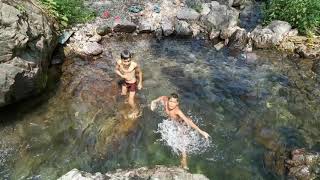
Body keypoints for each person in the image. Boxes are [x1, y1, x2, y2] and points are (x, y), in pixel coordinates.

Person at [150, 93, 210, 169]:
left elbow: (188, 122)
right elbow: (162, 97)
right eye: (171, 101)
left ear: (177, 103)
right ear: (168, 100)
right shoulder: (165, 101)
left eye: (174, 102)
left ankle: (184, 160)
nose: (171, 104)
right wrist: (154, 102)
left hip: (182, 123)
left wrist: (201, 132)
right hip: (174, 121)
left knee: (182, 141)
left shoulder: (177, 111)